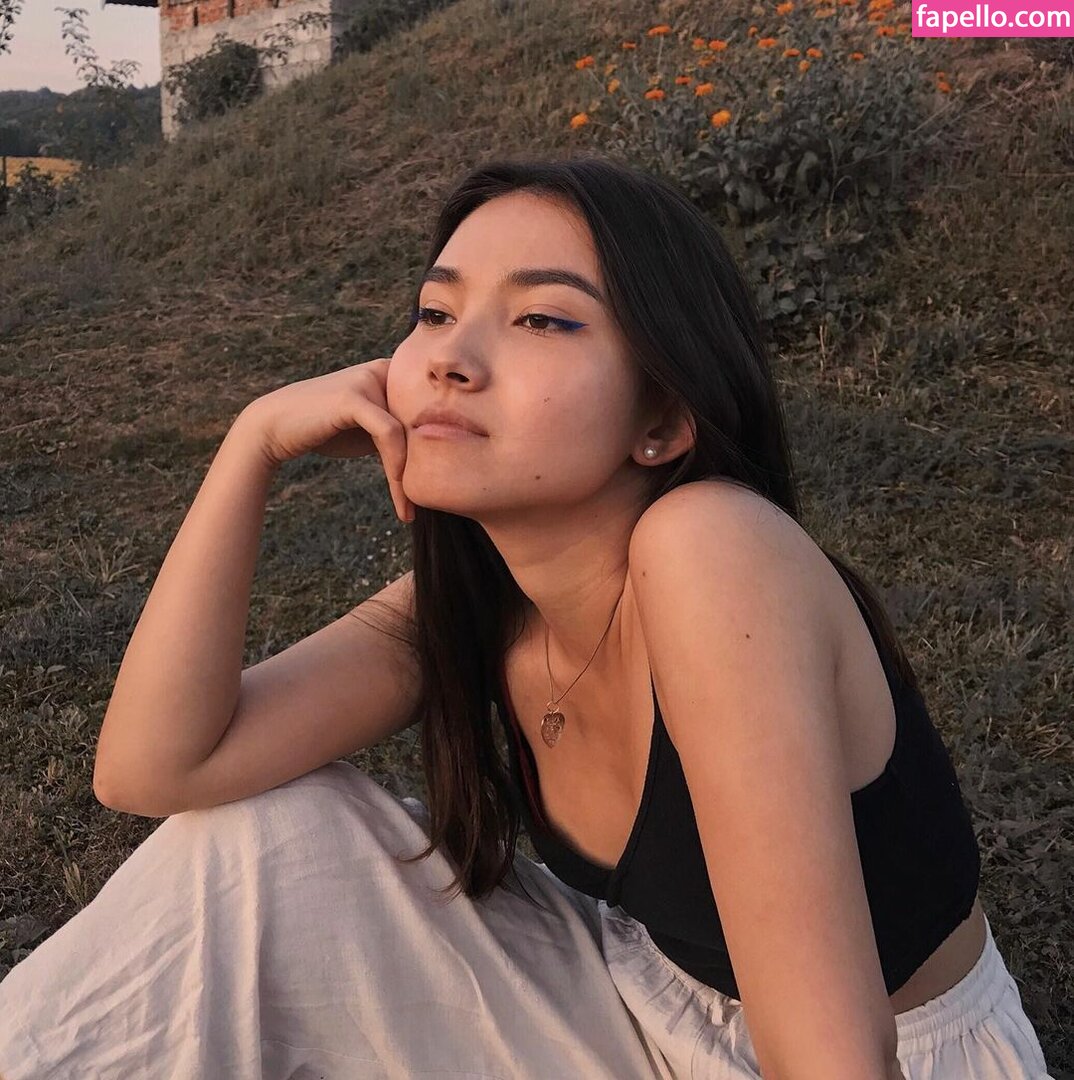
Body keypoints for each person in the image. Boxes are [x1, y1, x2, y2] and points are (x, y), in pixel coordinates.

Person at [0, 155, 1053, 1080]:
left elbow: (835, 1061)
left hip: (889, 1059)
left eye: (543, 319)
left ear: (662, 418)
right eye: (434, 312)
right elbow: (154, 770)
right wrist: (252, 443)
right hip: (637, 998)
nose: (451, 358)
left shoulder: (714, 552)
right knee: (262, 840)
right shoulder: (477, 605)